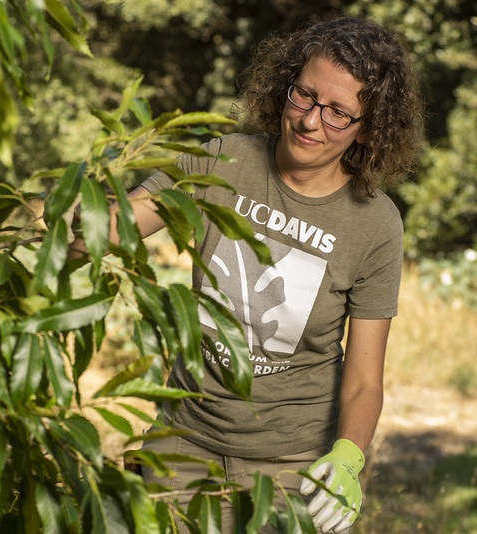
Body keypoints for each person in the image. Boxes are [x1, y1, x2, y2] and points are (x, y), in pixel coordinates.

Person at [96, 16, 423, 533]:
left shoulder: (376, 224)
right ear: (284, 86)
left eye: (339, 113)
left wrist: (347, 458)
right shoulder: (222, 162)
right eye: (305, 97)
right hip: (185, 443)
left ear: (369, 129)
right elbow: (107, 229)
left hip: (291, 467)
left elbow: (363, 381)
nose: (312, 121)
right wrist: (38, 215)